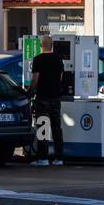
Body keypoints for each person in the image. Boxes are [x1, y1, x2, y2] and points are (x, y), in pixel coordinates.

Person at [28, 37, 66, 166]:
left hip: (42, 98)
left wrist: (30, 92)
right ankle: (59, 158)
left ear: (41, 45)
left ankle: (43, 158)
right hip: (56, 97)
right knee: (56, 128)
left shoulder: (38, 59)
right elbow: (60, 77)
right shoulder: (58, 59)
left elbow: (35, 80)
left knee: (43, 127)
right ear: (52, 46)